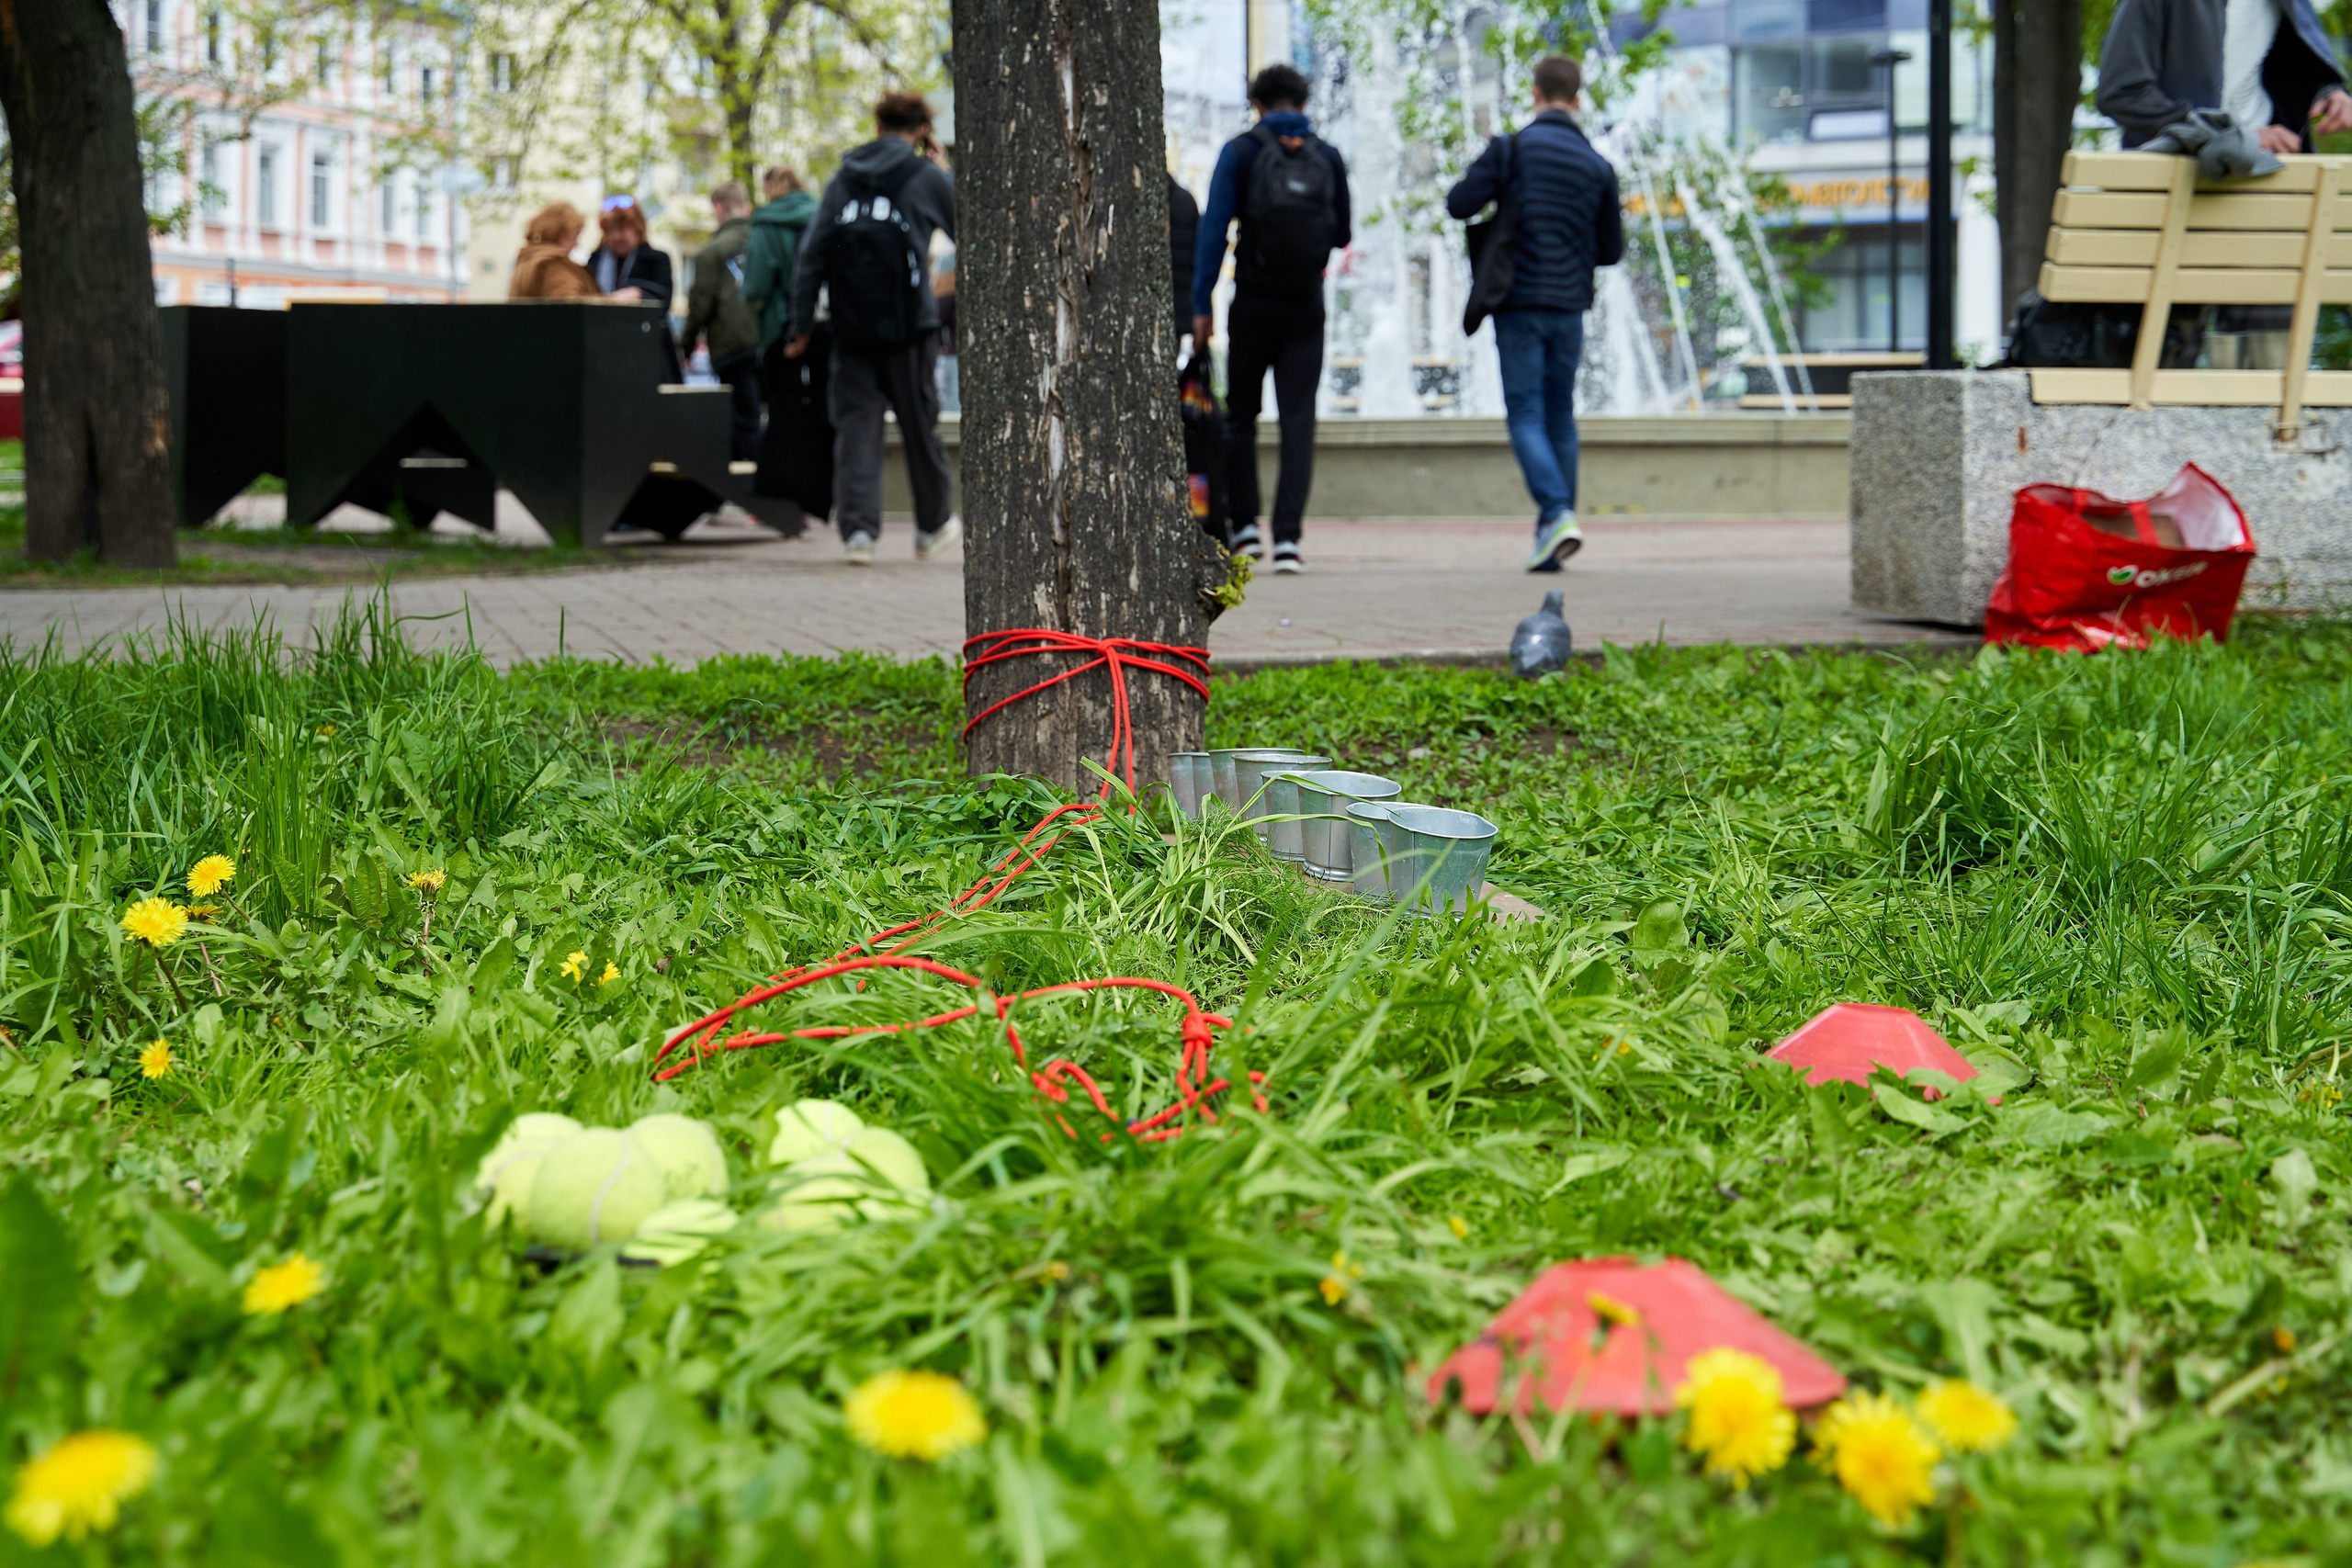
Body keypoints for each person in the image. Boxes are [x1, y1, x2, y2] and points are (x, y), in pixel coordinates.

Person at [1446, 54, 1624, 573]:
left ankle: (1556, 512)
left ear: (1534, 93)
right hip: (1569, 304)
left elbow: (1459, 203)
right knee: (1560, 416)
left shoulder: (1512, 149)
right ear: (1578, 98)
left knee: (1525, 413)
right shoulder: (1597, 164)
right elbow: (1611, 251)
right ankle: (1552, 536)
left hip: (1519, 300)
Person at [1192, 63, 1351, 575]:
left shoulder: (1241, 152)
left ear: (1257, 105)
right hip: (1307, 302)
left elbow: (1214, 231)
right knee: (1298, 418)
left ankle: (1245, 529)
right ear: (1303, 104)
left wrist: (1201, 304)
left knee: (1241, 414)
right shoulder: (1327, 156)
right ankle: (1288, 539)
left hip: (1254, 301)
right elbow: (1343, 233)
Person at [787, 91, 959, 567]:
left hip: (851, 327)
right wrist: (942, 174)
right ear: (923, 131)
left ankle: (859, 533)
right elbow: (968, 226)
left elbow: (813, 252)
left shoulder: (844, 176)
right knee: (919, 426)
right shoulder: (925, 176)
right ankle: (931, 526)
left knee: (856, 429)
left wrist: (800, 324)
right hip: (911, 326)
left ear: (878, 127)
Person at [2097, 0, 2352, 154]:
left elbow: (2292, 63)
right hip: (2176, 178)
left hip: (2268, 173)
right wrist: (2236, 137)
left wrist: (2329, 92)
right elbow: (2121, 94)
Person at [742, 165, 820, 467]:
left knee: (781, 408)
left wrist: (746, 292)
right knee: (816, 404)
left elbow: (756, 286)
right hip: (820, 323)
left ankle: (781, 484)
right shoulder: (820, 214)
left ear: (771, 187)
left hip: (780, 326)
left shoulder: (766, 223)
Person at [682, 181, 762, 463]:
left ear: (718, 208)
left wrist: (686, 345)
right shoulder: (764, 241)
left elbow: (700, 305)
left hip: (732, 345)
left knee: (742, 419)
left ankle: (747, 490)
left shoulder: (711, 252)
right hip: (767, 340)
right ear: (746, 207)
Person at [583, 197, 673, 310]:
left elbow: (664, 301)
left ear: (638, 228)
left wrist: (639, 295)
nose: (616, 236)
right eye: (610, 230)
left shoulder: (656, 260)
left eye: (622, 229)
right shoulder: (595, 260)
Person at [508, 202, 600, 299]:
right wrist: (612, 300)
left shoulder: (529, 260)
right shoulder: (552, 264)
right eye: (575, 236)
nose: (576, 244)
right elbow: (571, 306)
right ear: (561, 233)